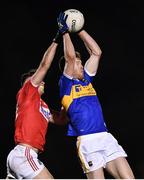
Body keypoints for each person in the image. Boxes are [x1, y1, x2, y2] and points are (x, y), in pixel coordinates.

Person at [57, 12, 135, 179]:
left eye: (80, 62)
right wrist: (64, 32)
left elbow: (96, 52)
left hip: (105, 137)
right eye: (78, 63)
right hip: (87, 142)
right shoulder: (66, 85)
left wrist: (79, 29)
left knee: (129, 178)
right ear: (67, 69)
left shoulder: (86, 80)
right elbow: (70, 58)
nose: (80, 64)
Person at [6, 31, 67, 179]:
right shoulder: (27, 92)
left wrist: (66, 102)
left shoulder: (43, 106)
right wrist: (57, 38)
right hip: (24, 154)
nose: (41, 81)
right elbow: (45, 65)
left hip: (23, 155)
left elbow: (61, 120)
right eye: (36, 79)